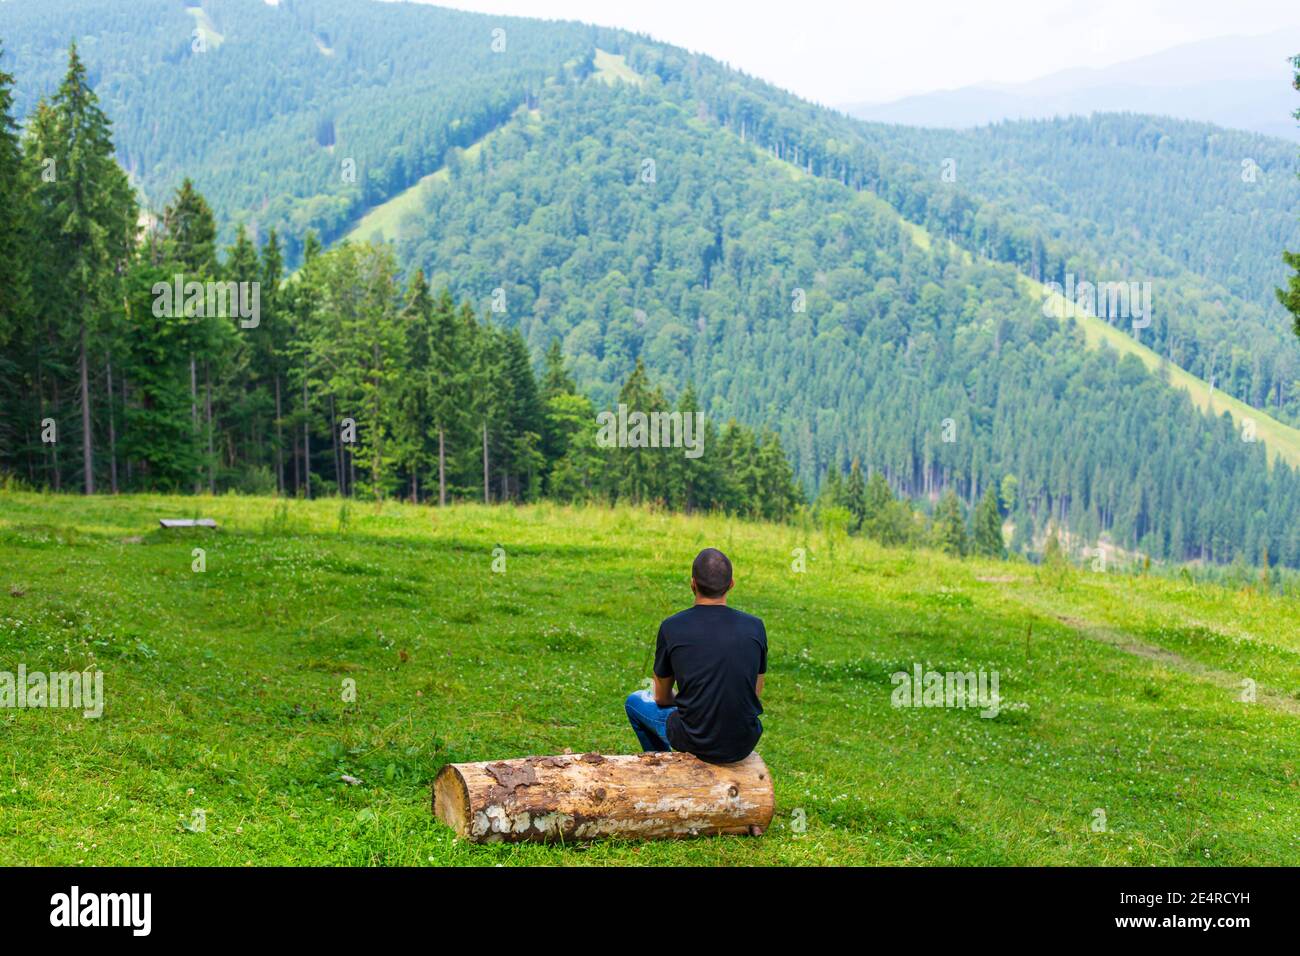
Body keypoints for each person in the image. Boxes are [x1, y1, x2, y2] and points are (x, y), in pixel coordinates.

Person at [624, 547, 767, 765]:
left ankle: (662, 769)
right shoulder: (755, 627)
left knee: (634, 702)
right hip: (743, 741)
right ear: (731, 585)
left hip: (693, 738)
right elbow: (754, 695)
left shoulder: (672, 627)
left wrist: (683, 700)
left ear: (692, 583)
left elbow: (661, 698)